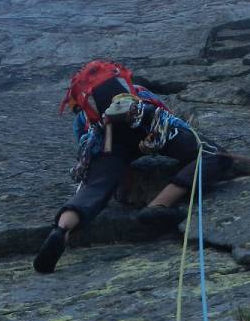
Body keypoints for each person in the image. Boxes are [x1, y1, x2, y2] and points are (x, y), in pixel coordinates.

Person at [33, 73, 232, 274]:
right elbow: (167, 116)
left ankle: (62, 229)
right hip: (148, 127)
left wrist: (117, 173)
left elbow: (86, 152)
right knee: (215, 155)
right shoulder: (137, 91)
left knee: (95, 186)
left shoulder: (85, 115)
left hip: (109, 142)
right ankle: (160, 203)